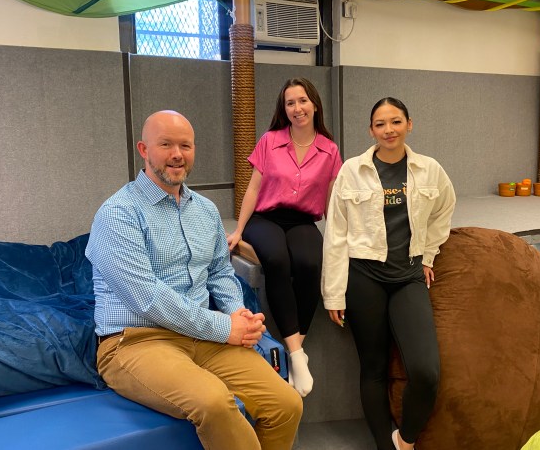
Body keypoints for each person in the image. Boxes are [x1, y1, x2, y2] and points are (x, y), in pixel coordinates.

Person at [86, 110, 302, 450]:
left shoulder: (205, 210)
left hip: (202, 339)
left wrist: (237, 313)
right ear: (144, 149)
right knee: (214, 402)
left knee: (287, 404)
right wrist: (223, 327)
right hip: (137, 341)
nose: (177, 154)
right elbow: (147, 298)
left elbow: (220, 272)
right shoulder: (118, 213)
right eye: (166, 144)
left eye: (185, 145)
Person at [321, 98, 456, 450]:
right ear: (371, 131)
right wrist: (334, 292)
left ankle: (405, 440)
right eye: (380, 124)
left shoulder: (429, 170)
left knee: (426, 372)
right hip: (364, 277)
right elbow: (335, 234)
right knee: (373, 369)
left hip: (408, 276)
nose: (388, 130)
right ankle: (385, 445)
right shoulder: (352, 170)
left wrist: (428, 255)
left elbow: (444, 210)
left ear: (409, 124)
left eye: (395, 122)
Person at [227, 77, 342, 398]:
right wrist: (239, 229)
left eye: (302, 101)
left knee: (308, 262)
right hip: (265, 217)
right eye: (290, 103)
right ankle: (297, 354)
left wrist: (337, 240)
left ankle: (295, 350)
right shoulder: (270, 140)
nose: (297, 108)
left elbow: (332, 199)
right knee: (277, 259)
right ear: (284, 109)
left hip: (303, 220)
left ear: (314, 104)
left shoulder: (329, 149)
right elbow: (252, 188)